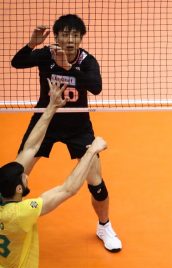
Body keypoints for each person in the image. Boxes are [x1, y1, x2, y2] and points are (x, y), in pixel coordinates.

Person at [11, 14, 121, 252]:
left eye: (75, 35)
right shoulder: (46, 55)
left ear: (81, 37)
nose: (70, 39)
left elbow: (96, 87)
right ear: (57, 36)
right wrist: (32, 44)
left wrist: (69, 68)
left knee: (96, 183)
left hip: (78, 127)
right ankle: (11, 224)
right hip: (45, 121)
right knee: (15, 177)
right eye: (65, 34)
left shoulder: (87, 61)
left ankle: (104, 225)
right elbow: (17, 62)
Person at [0, 80, 108, 268]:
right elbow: (68, 189)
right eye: (24, 176)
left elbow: (30, 148)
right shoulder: (22, 213)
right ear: (19, 188)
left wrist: (51, 107)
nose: (27, 173)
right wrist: (91, 151)